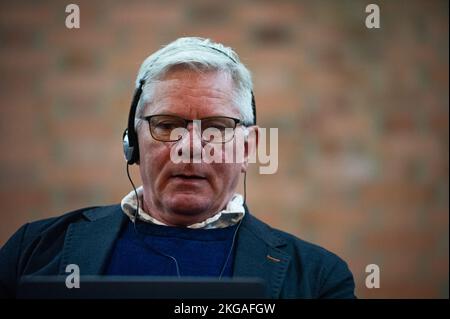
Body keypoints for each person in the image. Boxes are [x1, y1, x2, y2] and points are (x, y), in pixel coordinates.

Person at [0, 37, 355, 298]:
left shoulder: (319, 280)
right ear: (133, 142)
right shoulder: (32, 251)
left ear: (248, 148)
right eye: (167, 125)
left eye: (216, 128)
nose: (190, 149)